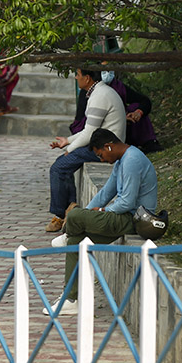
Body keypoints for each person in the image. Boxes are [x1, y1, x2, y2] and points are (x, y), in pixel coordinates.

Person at [44, 128, 159, 315]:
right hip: (121, 216)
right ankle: (72, 299)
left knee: (73, 216)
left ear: (109, 146)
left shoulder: (132, 160)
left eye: (101, 154)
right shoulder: (122, 160)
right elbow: (106, 192)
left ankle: (68, 234)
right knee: (76, 241)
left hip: (134, 220)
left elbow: (127, 202)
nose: (101, 159)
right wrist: (88, 213)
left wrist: (102, 211)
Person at [44, 68, 126, 232]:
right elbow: (89, 129)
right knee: (62, 165)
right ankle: (71, 207)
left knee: (59, 167)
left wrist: (71, 148)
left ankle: (60, 215)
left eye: (78, 74)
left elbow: (90, 133)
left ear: (87, 78)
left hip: (106, 148)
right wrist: (68, 141)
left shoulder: (100, 96)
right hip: (100, 143)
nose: (76, 77)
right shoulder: (99, 92)